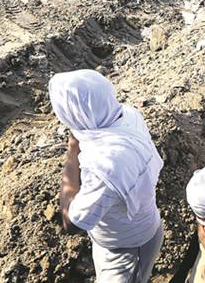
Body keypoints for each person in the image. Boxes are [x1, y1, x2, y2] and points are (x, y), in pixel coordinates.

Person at [49, 70, 164, 283]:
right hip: (130, 233)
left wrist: (73, 153)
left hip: (127, 250)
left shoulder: (106, 166)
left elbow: (72, 223)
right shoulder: (128, 116)